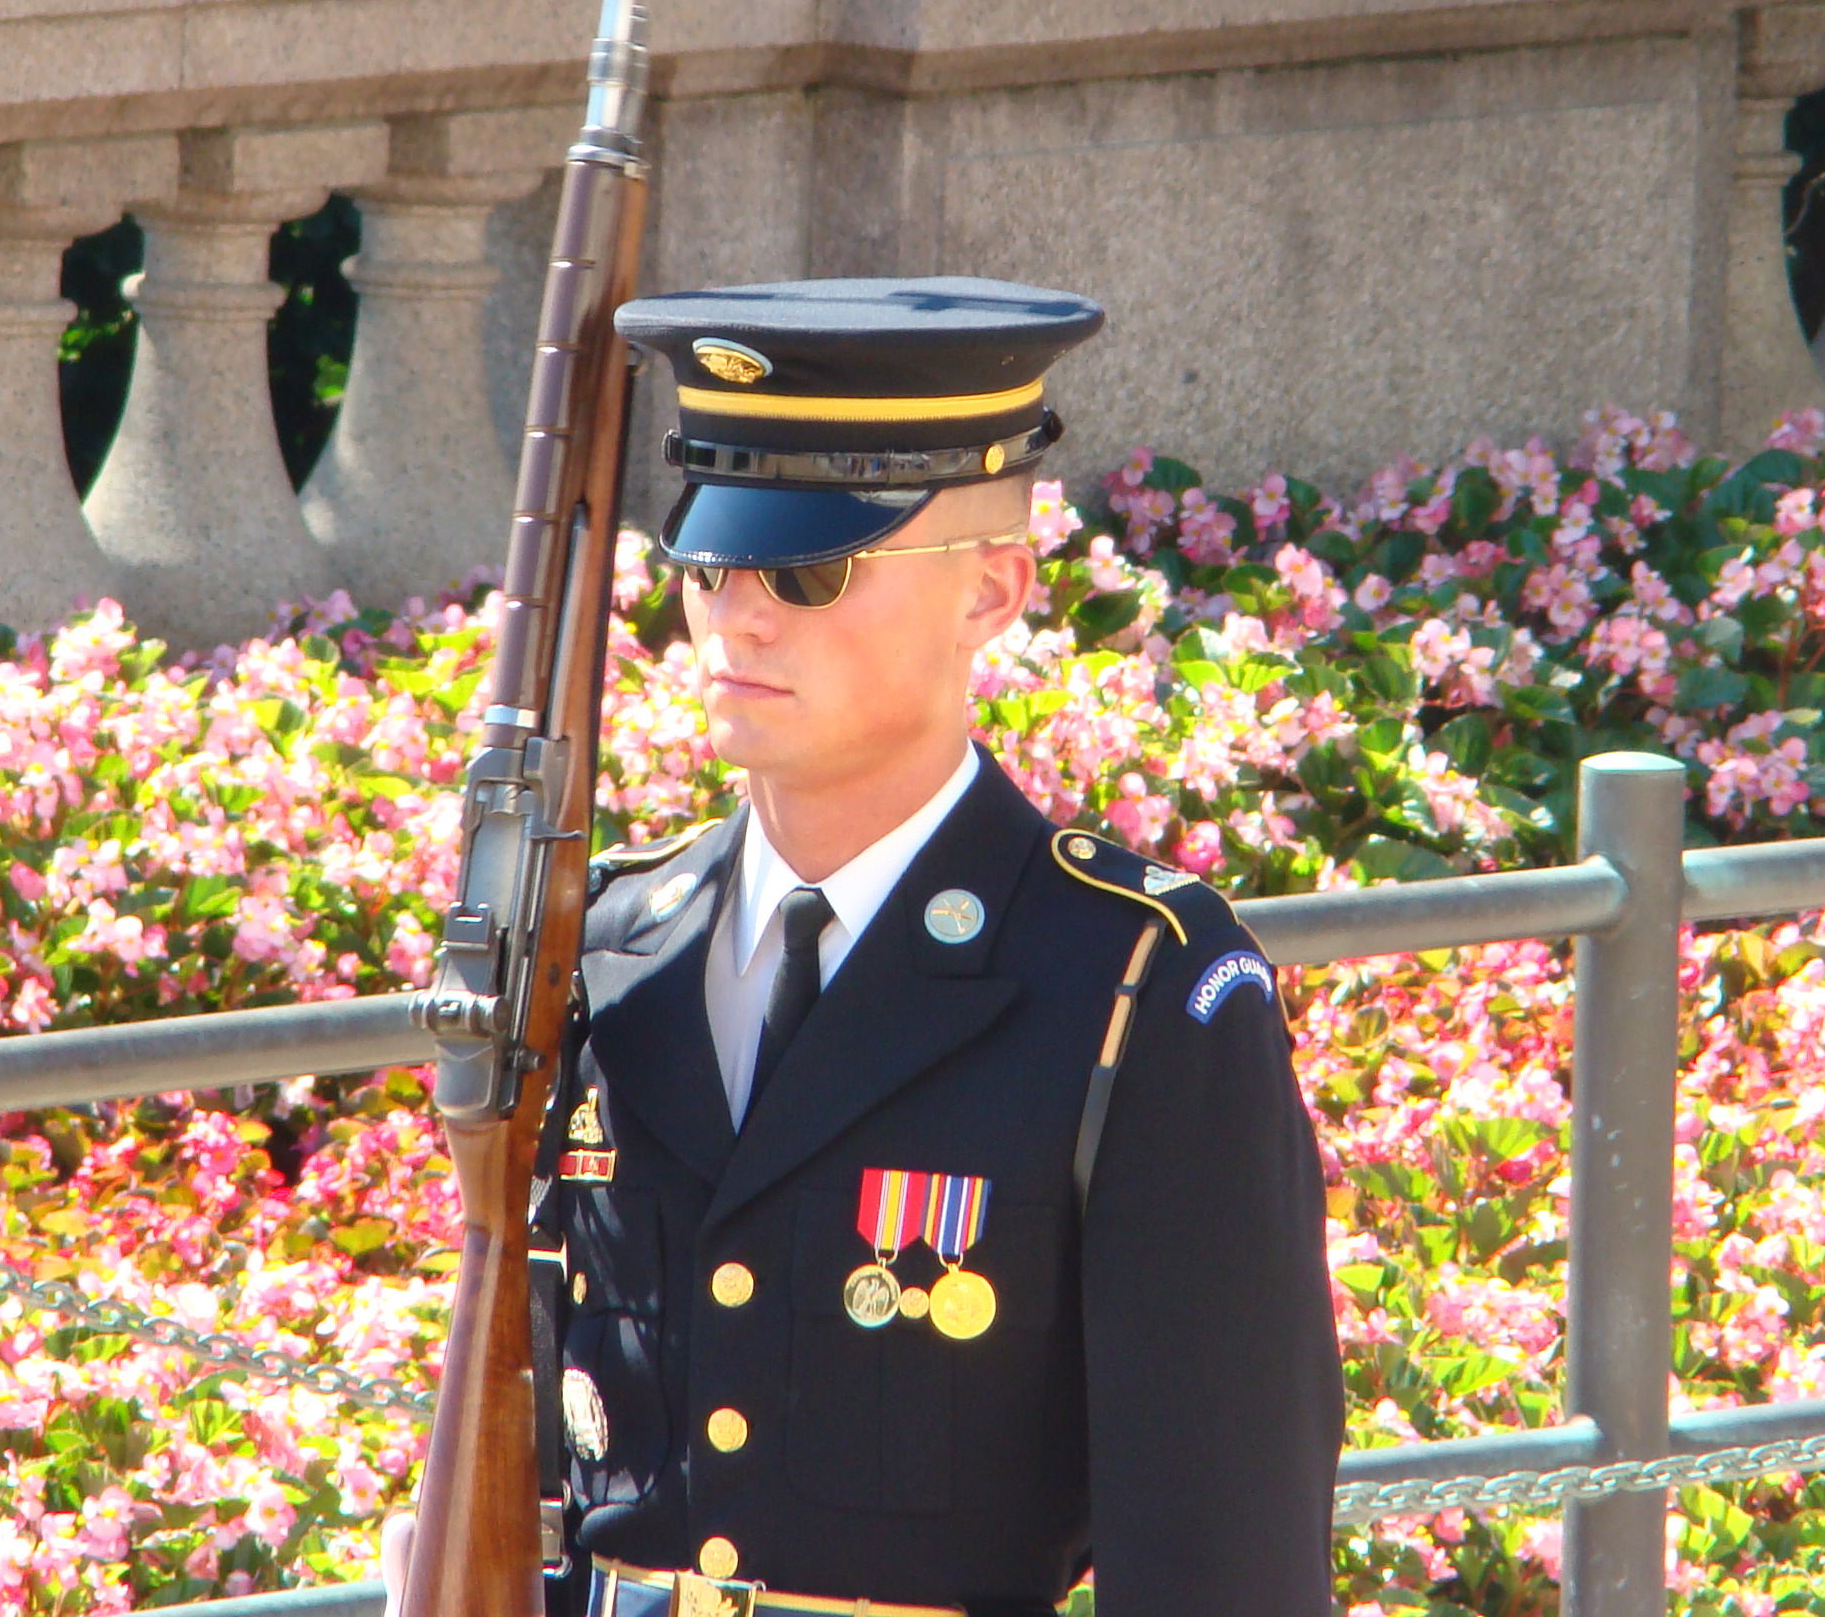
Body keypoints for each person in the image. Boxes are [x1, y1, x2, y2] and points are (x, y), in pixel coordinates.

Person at [394, 275, 1342, 1617]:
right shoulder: (607, 950)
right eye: (710, 565)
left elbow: (1218, 1559)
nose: (738, 616)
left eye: (811, 568)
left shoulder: (1133, 985)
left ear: (995, 588)